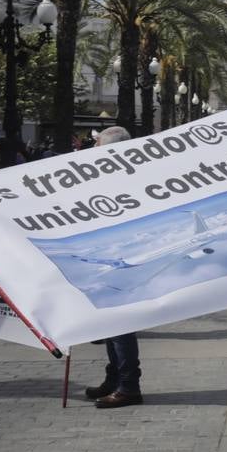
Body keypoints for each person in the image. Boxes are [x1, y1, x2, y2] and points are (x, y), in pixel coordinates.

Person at [80, 126, 145, 407]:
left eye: (96, 144)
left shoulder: (123, 177)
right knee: (110, 323)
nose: (92, 148)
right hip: (108, 254)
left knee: (121, 325)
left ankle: (129, 386)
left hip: (122, 256)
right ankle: (116, 378)